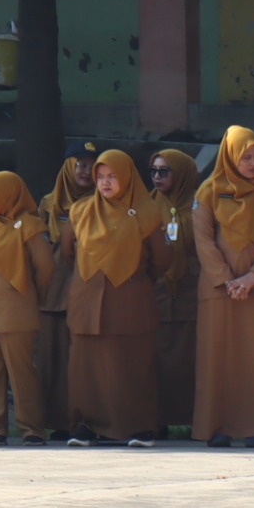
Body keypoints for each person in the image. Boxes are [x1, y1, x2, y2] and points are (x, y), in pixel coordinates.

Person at [192, 125, 254, 447]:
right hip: (220, 290)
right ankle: (218, 426)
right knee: (219, 359)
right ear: (230, 157)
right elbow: (204, 241)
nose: (253, 163)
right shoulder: (207, 191)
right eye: (245, 157)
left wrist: (252, 277)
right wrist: (225, 279)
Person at [59, 149, 165, 446]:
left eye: (113, 177)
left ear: (127, 177)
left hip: (129, 301)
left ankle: (138, 427)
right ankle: (87, 426)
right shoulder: (80, 211)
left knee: (130, 365)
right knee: (85, 368)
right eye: (101, 177)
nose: (105, 183)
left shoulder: (146, 213)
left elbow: (161, 260)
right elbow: (68, 252)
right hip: (87, 302)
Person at [0, 171, 52, 443]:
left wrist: (28, 297)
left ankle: (31, 429)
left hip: (16, 311)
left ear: (10, 194)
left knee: (21, 373)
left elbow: (45, 268)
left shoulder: (30, 225)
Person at [39, 146, 100, 437]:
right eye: (80, 165)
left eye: (92, 166)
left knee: (84, 363)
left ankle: (86, 420)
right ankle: (58, 423)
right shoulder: (48, 205)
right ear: (67, 167)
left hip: (86, 291)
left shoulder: (103, 203)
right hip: (52, 293)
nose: (86, 172)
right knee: (54, 361)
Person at [150, 148, 202, 429]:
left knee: (190, 361)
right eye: (154, 171)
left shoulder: (199, 205)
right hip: (158, 296)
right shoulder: (146, 205)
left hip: (190, 296)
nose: (157, 177)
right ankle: (158, 421)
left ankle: (194, 421)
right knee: (158, 361)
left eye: (164, 171)